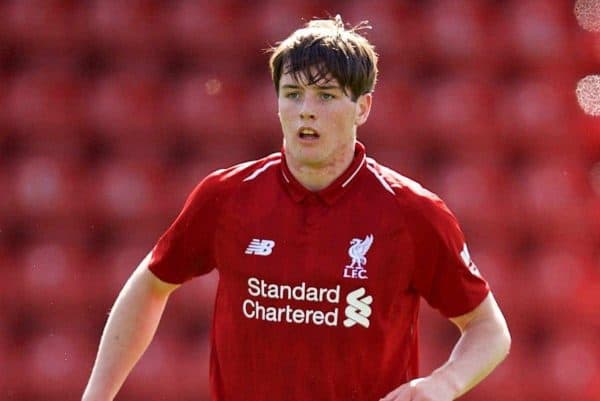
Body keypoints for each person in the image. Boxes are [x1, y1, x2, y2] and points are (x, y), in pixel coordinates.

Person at [82, 15, 511, 401]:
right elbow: (151, 284)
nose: (306, 112)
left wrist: (442, 384)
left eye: (325, 96)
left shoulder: (412, 213)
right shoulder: (226, 197)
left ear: (362, 107)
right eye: (293, 93)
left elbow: (488, 329)